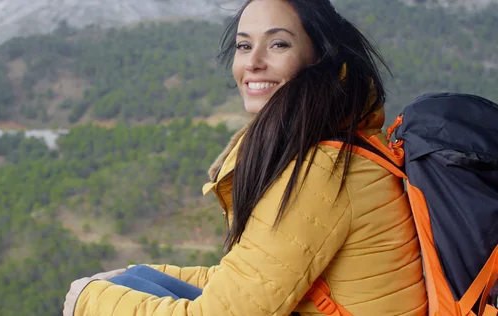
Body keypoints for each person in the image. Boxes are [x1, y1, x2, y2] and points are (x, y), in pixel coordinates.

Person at [63, 0, 428, 315]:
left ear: (321, 58)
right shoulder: (330, 147)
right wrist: (127, 276)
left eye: (278, 44)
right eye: (243, 46)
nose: (252, 62)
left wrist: (87, 301)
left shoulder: (322, 171)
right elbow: (242, 280)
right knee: (134, 279)